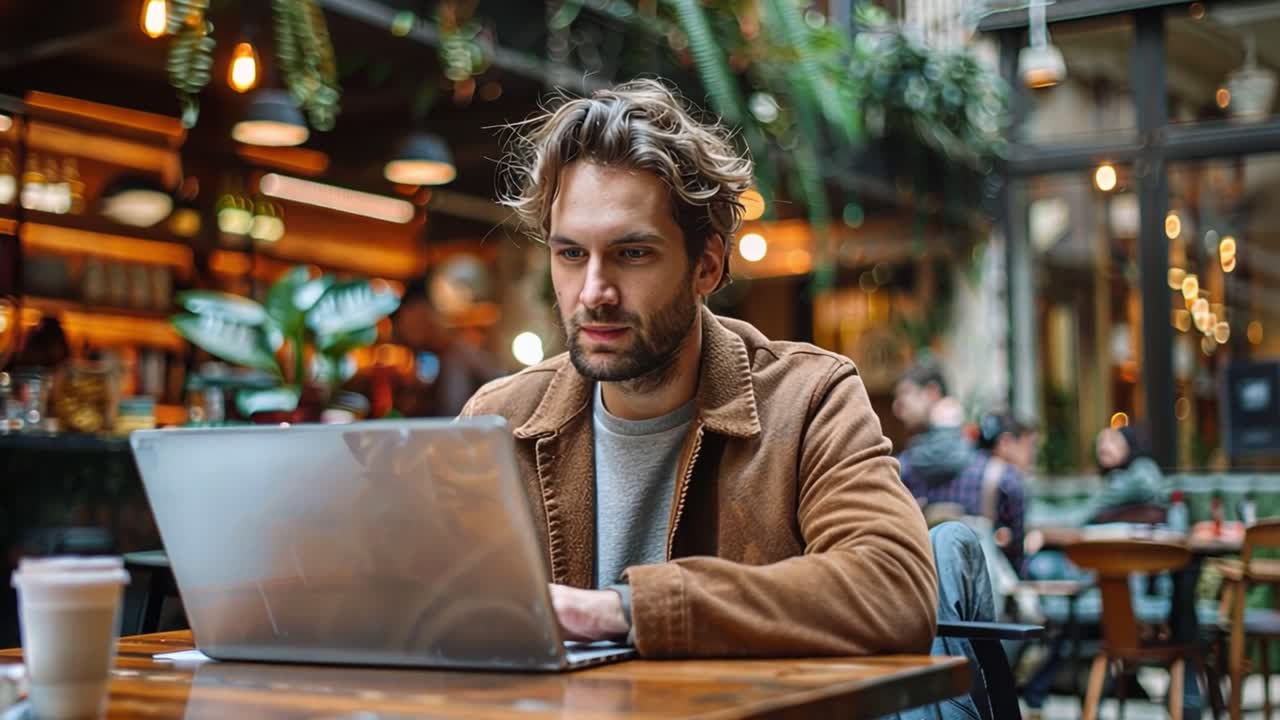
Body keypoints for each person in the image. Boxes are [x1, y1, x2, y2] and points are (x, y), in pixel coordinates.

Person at [460, 79, 937, 658]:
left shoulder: (808, 399)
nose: (594, 292)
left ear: (706, 266)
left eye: (632, 253)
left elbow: (894, 588)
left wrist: (626, 610)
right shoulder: (499, 419)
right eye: (571, 254)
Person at [390, 277, 503, 417]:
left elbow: (499, 381)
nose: (407, 333)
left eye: (412, 325)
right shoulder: (435, 361)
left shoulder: (461, 354)